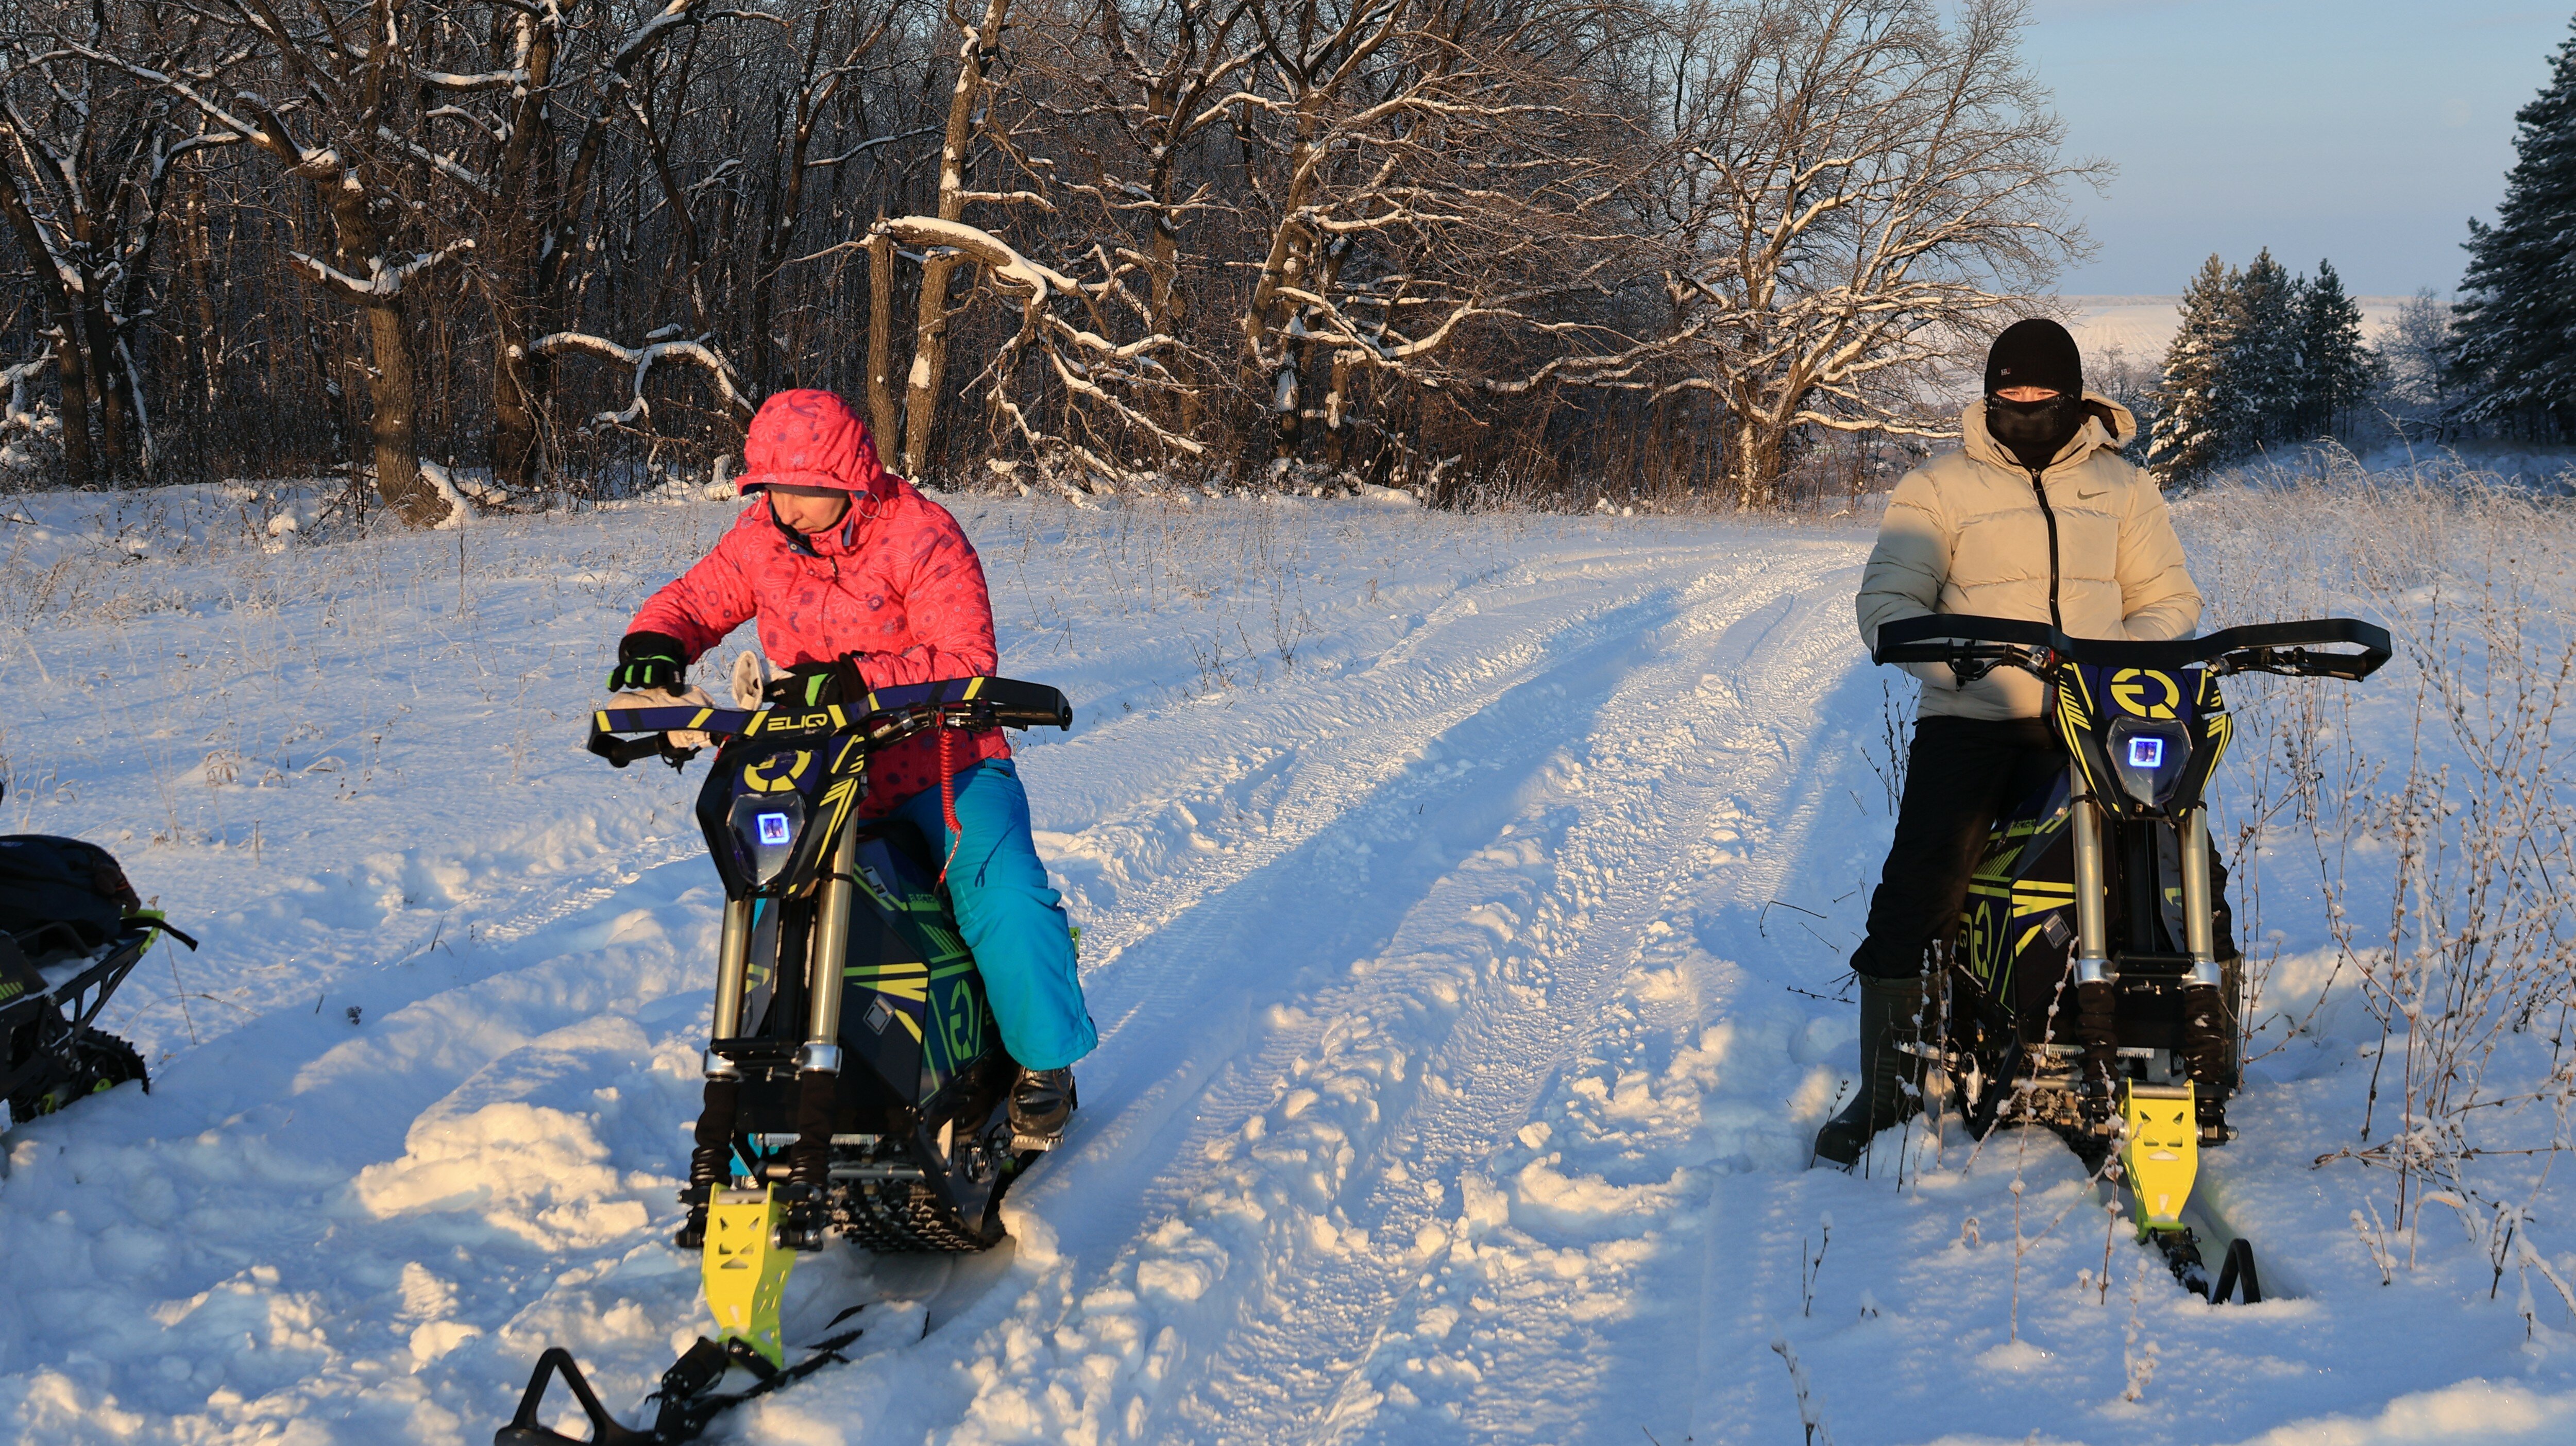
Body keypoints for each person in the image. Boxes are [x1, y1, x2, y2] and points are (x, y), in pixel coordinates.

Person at [608, 388, 1095, 1144]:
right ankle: (793, 1068)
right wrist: (654, 645)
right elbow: (696, 600)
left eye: (801, 490)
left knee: (1000, 893)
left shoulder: (921, 534)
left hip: (945, 765)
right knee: (773, 899)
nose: (785, 507)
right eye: (771, 488)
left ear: (848, 480)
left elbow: (966, 657)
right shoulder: (762, 537)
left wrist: (859, 679)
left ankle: (1043, 1061)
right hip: (824, 772)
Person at [1818, 318, 2201, 1169]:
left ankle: (2140, 1037)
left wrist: (2111, 668)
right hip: (1975, 715)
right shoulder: (1937, 486)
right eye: (2009, 394)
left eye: (2041, 394)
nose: (2024, 406)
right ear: (1989, 396)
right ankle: (1886, 1086)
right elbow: (1888, 605)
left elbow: (2169, 599)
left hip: (2096, 720)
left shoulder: (2123, 486)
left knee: (2151, 867)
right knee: (1927, 877)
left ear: (2074, 398)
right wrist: (1965, 662)